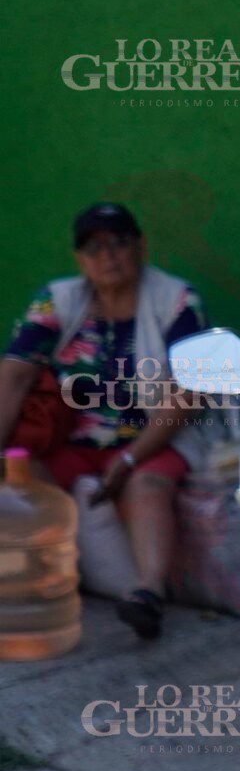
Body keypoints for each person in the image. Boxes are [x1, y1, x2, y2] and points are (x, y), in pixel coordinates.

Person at [0, 203, 204, 640]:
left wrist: (131, 459)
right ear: (80, 259)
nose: (107, 256)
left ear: (141, 246)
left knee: (148, 486)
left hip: (151, 436)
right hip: (70, 441)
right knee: (21, 479)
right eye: (94, 248)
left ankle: (148, 592)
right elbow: (14, 375)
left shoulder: (176, 299)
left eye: (119, 243)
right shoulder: (57, 299)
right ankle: (34, 587)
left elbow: (187, 394)